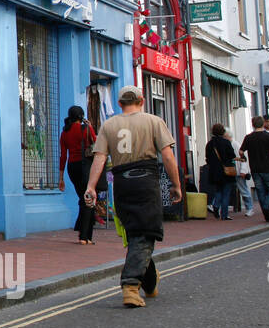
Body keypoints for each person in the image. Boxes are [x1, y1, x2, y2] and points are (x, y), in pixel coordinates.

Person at [83, 85, 182, 308]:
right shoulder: (154, 121)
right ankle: (130, 284)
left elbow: (99, 158)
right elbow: (167, 156)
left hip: (122, 183)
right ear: (142, 100)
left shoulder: (109, 125)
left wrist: (91, 186)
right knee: (145, 233)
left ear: (119, 104)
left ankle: (149, 282)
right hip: (146, 181)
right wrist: (176, 185)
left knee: (137, 234)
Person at [58, 105, 99, 244]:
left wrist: (61, 177)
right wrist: (91, 127)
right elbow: (96, 143)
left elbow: (63, 156)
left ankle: (83, 232)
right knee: (89, 199)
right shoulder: (86, 128)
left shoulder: (64, 133)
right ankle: (85, 237)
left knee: (83, 199)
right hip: (85, 166)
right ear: (81, 116)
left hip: (71, 168)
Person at [238, 115, 269, 221]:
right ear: (263, 124)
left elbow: (241, 151)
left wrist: (243, 157)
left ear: (253, 124)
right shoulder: (268, 137)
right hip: (268, 168)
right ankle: (267, 208)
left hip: (255, 169)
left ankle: (266, 211)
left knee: (260, 191)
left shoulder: (248, 137)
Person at [204, 123, 238, 220]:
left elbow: (207, 158)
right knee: (226, 192)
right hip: (226, 171)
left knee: (218, 190)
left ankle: (215, 205)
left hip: (215, 172)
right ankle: (224, 215)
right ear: (223, 132)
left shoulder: (209, 144)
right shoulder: (226, 142)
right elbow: (232, 155)